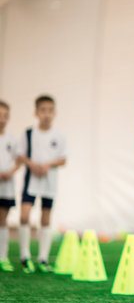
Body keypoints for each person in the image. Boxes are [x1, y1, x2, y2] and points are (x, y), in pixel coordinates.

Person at [17, 95, 67, 273]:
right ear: (36, 112)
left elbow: (63, 160)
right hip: (31, 180)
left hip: (49, 182)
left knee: (45, 217)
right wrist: (31, 164)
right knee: (24, 215)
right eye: (43, 110)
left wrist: (48, 165)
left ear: (54, 112)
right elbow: (20, 155)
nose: (47, 114)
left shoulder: (59, 136)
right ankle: (24, 256)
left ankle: (43, 258)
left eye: (50, 110)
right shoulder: (28, 133)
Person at [0, 101, 21, 272]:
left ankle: (3, 257)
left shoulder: (12, 140)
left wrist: (10, 172)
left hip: (6, 187)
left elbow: (19, 160)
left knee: (2, 221)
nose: (2, 119)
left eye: (5, 115)